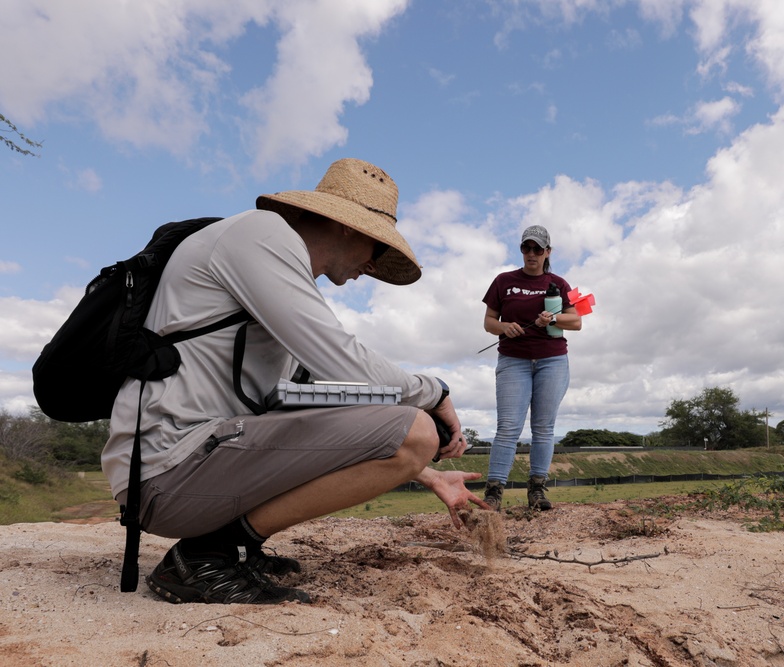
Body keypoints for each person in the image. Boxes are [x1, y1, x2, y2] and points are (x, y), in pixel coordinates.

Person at [101, 158, 490, 605]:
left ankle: (227, 545)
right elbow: (346, 363)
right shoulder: (261, 234)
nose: (373, 264)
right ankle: (207, 554)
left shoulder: (274, 281)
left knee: (409, 436)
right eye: (378, 247)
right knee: (416, 428)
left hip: (186, 467)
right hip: (166, 471)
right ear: (349, 226)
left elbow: (306, 402)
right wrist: (435, 392)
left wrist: (425, 473)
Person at [480, 225, 581, 511]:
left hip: (552, 360)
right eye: (527, 248)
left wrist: (551, 320)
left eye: (538, 249)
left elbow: (576, 322)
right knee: (508, 427)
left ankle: (537, 490)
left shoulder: (560, 284)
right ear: (521, 250)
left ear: (548, 252)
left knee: (543, 428)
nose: (532, 254)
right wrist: (504, 327)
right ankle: (493, 493)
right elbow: (489, 321)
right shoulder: (503, 281)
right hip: (513, 361)